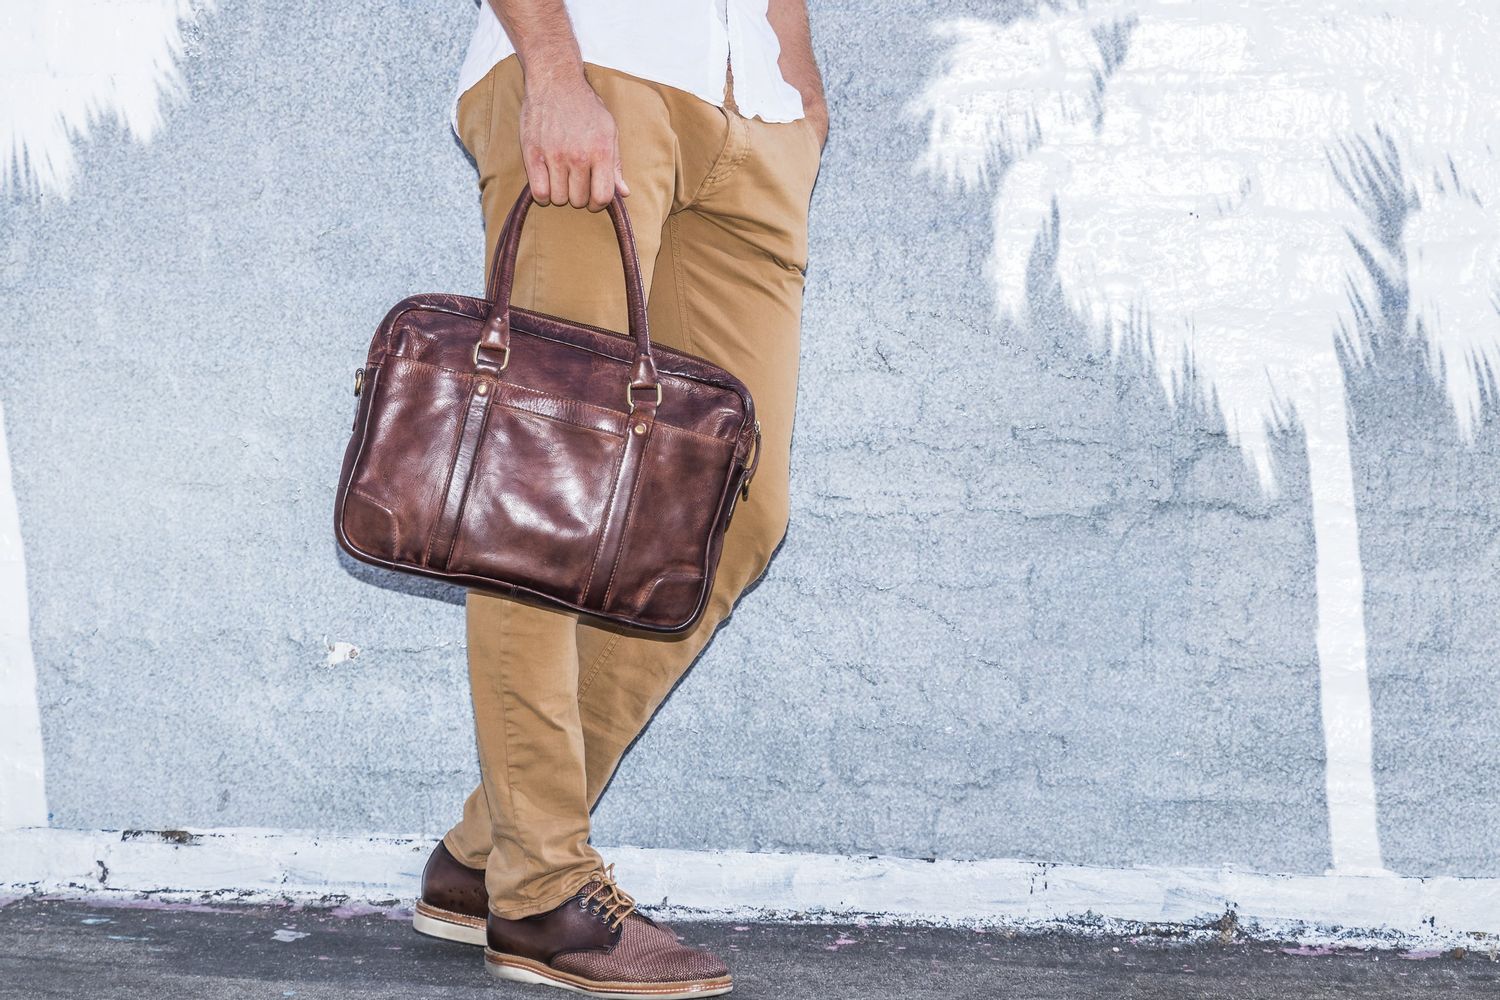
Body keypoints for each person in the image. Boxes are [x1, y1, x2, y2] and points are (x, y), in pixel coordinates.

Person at [410, 1, 825, 996]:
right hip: (604, 66)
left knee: (737, 505)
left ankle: (486, 856)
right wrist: (552, 67)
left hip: (753, 110)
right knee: (544, 502)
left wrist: (799, 80)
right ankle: (541, 889)